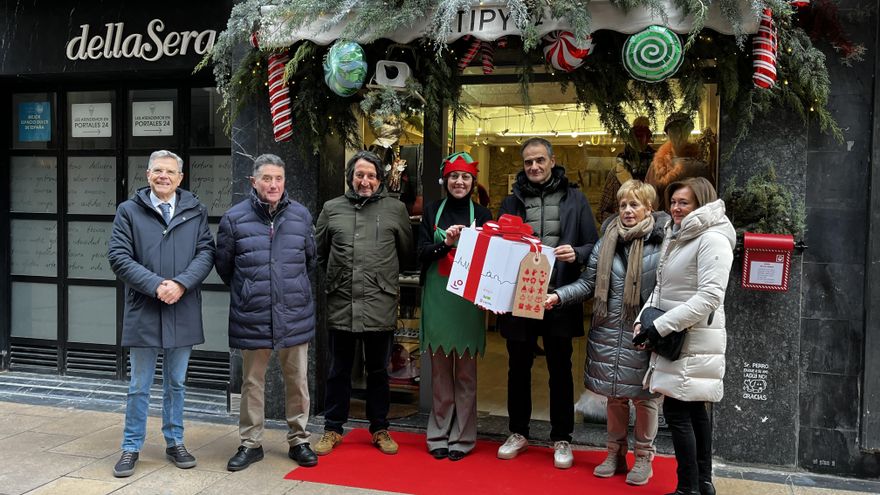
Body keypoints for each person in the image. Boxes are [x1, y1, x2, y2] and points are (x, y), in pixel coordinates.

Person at [546, 180, 667, 485]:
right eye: (623, 205)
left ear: (648, 208)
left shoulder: (662, 243)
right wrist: (558, 296)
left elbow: (668, 290)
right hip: (609, 331)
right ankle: (614, 452)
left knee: (645, 398)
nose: (627, 211)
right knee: (614, 397)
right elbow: (589, 284)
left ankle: (643, 457)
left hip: (643, 333)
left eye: (634, 205)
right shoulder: (605, 241)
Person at [107, 150, 215, 478]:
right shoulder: (128, 211)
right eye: (158, 170)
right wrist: (156, 285)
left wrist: (180, 284)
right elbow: (118, 256)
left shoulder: (195, 210)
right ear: (147, 175)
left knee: (177, 383)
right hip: (145, 308)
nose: (163, 176)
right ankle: (131, 446)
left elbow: (206, 251)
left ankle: (175, 441)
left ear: (181, 178)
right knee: (139, 384)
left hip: (182, 307)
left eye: (170, 171)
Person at [496, 137, 599, 469]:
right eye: (528, 162)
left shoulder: (575, 199)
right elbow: (496, 248)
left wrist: (578, 253)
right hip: (518, 298)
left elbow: (592, 245)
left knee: (560, 369)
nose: (534, 167)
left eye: (540, 160)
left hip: (559, 296)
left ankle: (562, 438)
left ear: (552, 161)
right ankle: (518, 432)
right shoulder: (510, 202)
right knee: (518, 368)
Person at [215, 154, 318, 471]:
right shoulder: (234, 219)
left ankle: (299, 439)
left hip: (294, 312)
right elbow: (225, 266)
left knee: (298, 380)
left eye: (279, 179)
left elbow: (310, 260)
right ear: (253, 182)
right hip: (253, 312)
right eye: (267, 179)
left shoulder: (300, 215)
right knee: (252, 382)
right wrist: (250, 289)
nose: (273, 185)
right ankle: (250, 442)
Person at [632, 177, 735, 495]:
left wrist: (659, 327)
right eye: (673, 202)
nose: (676, 208)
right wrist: (642, 320)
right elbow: (662, 288)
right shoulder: (680, 235)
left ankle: (688, 487)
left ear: (701, 203)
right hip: (678, 337)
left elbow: (710, 297)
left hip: (692, 339)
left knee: (679, 412)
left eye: (684, 203)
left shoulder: (712, 238)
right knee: (692, 410)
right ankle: (702, 484)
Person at [313, 150, 414, 456]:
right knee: (338, 369)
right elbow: (319, 252)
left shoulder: (396, 209)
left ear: (380, 179)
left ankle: (380, 428)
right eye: (359, 175)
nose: (365, 180)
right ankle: (333, 428)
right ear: (350, 178)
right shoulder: (332, 208)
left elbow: (406, 253)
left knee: (378, 371)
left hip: (379, 301)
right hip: (342, 300)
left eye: (371, 175)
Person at [418, 152, 493, 461]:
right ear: (445, 180)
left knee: (465, 373)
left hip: (468, 302)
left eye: (465, 177)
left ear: (473, 182)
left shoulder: (485, 214)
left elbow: (491, 260)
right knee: (438, 372)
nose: (459, 182)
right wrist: (445, 244)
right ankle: (438, 433)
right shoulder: (432, 210)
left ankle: (462, 436)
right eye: (453, 177)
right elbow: (421, 252)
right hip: (438, 299)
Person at [597, 117, 656, 223]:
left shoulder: (658, 169)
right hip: (623, 235)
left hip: (653, 231)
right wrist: (622, 221)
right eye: (635, 137)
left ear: (647, 138)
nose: (638, 140)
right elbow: (601, 212)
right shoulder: (616, 173)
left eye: (641, 136)